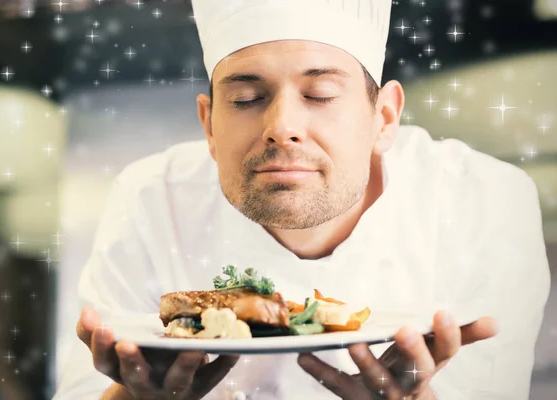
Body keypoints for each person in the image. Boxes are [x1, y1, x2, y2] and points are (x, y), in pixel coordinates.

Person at [53, 0, 551, 399]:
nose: (282, 127)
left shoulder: (485, 201)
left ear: (384, 119)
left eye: (319, 95)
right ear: (208, 123)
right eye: (247, 99)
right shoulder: (150, 199)